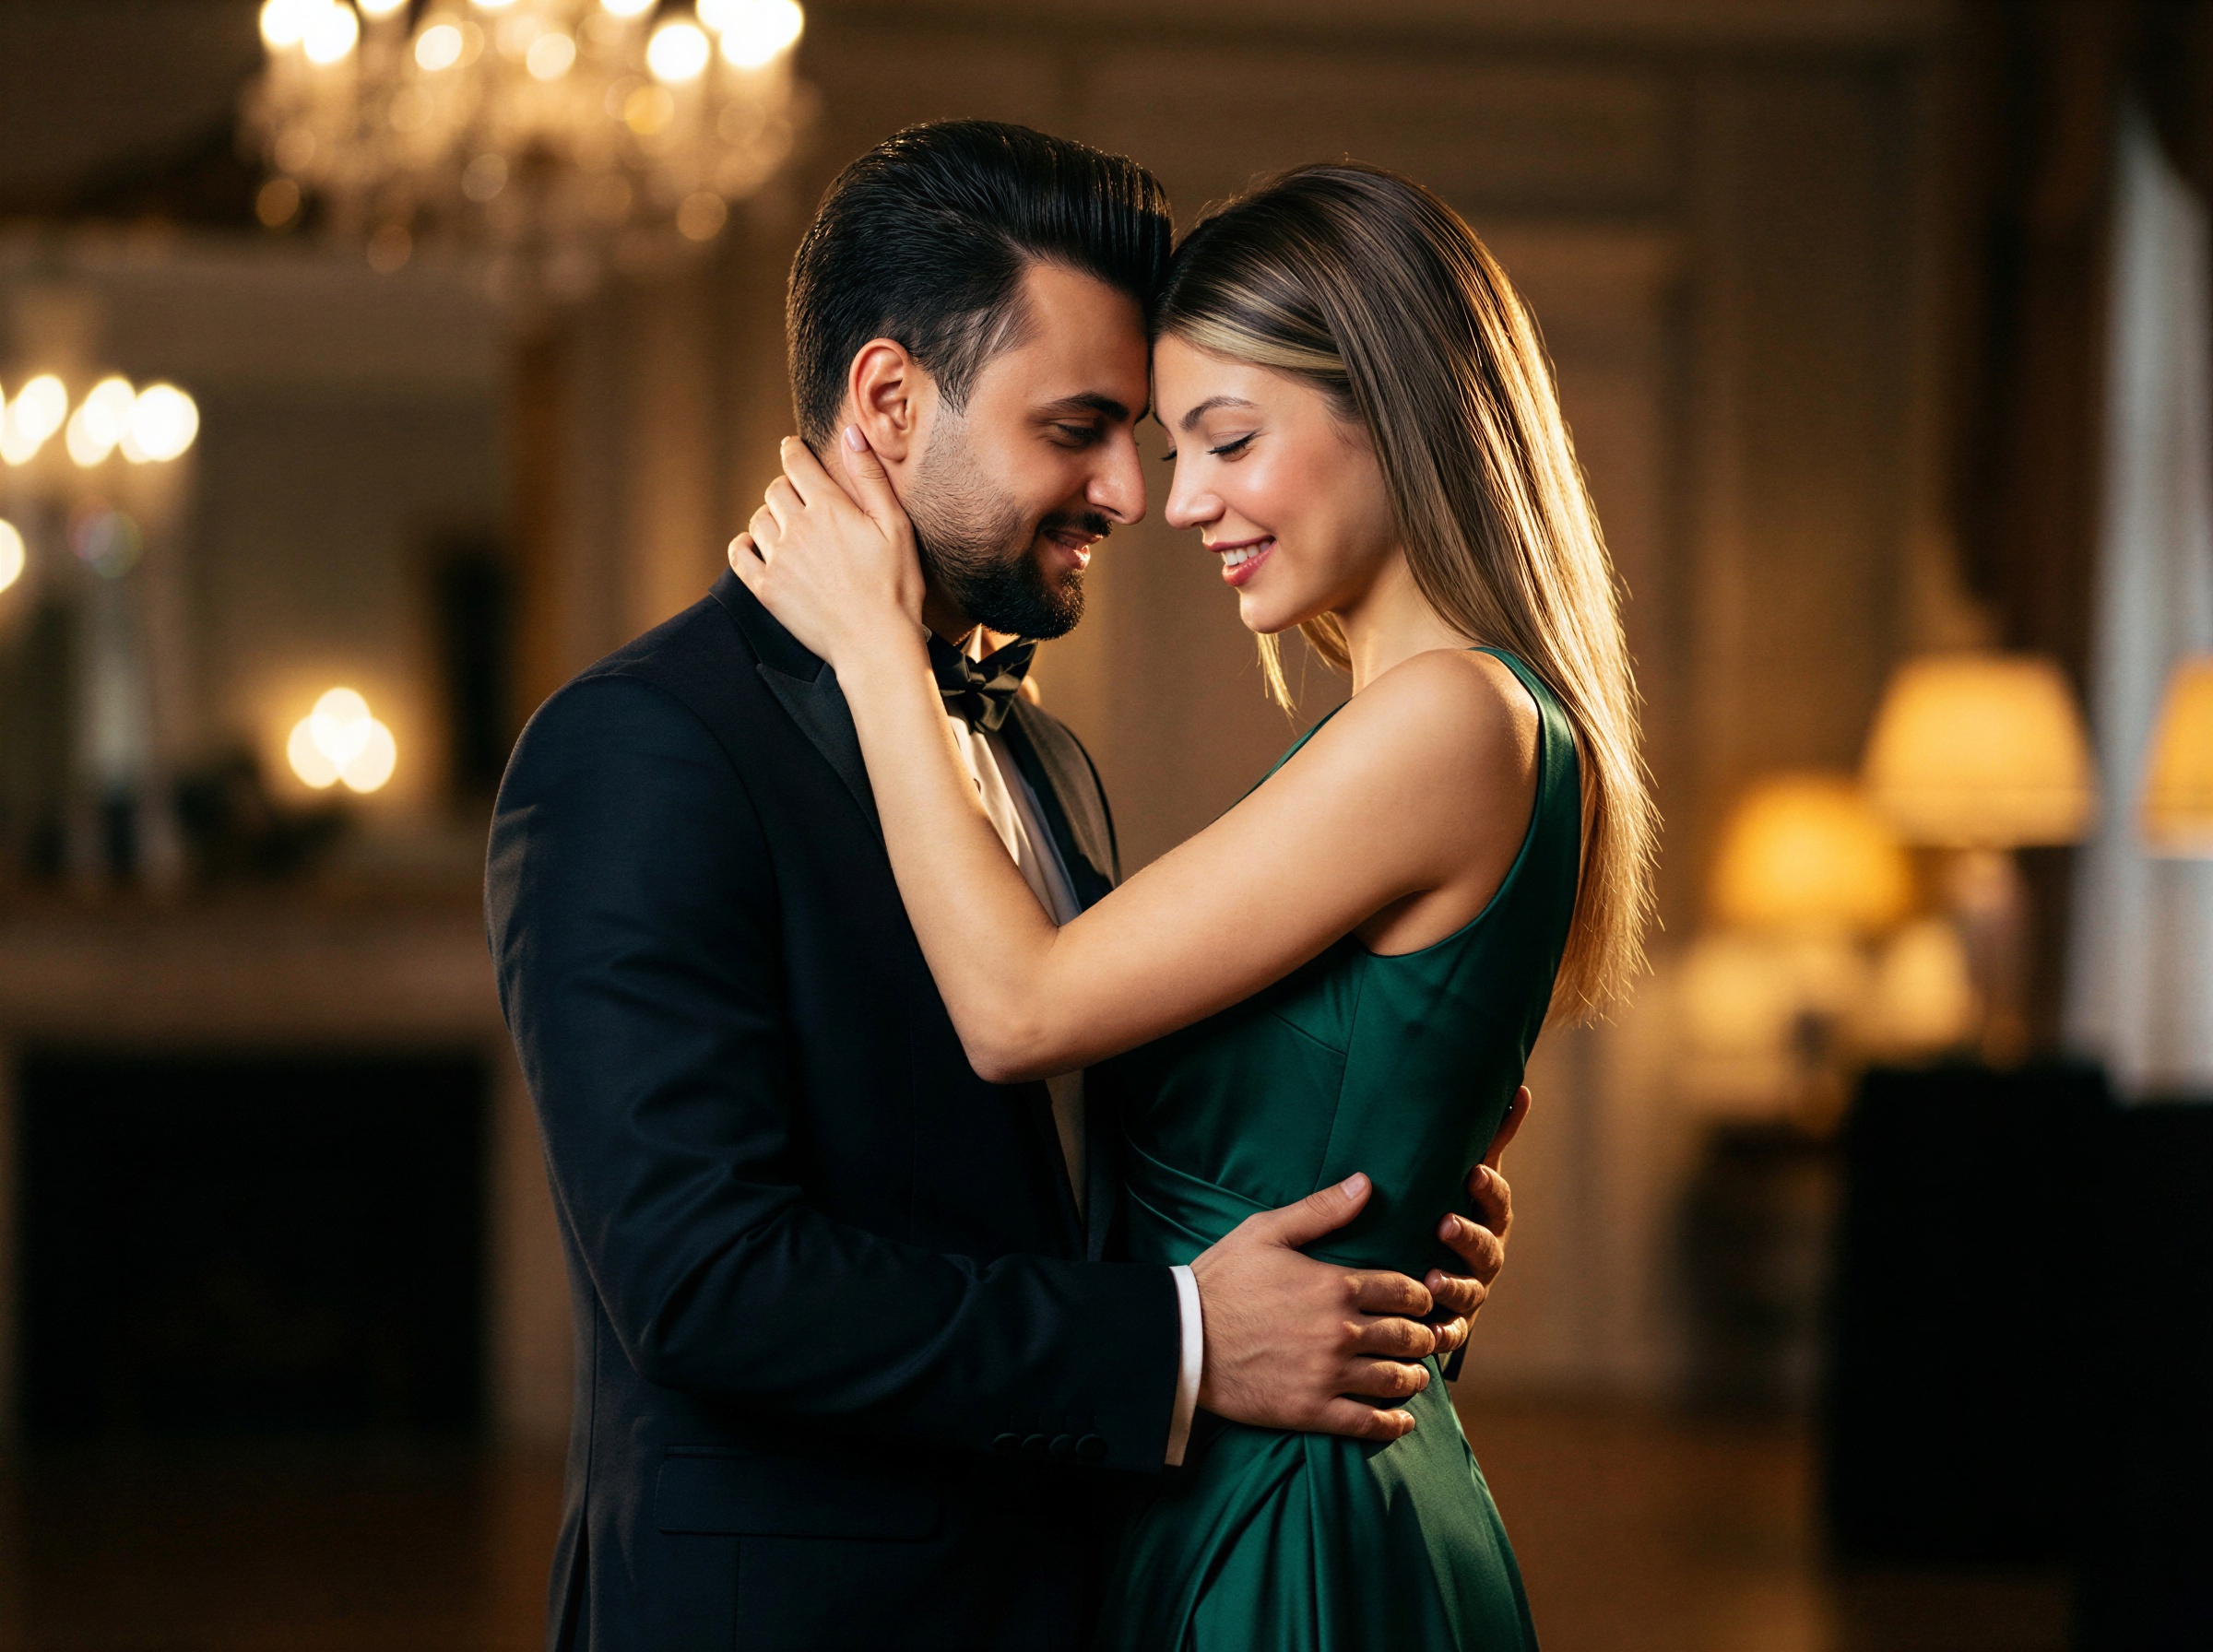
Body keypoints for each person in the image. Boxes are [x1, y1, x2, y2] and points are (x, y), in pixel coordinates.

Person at [487, 124, 1522, 1652]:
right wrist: (1181, 1341)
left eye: (1152, 438)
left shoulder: (1039, 751)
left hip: (1077, 1591)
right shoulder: (640, 750)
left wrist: (1342, 1268)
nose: (1129, 491)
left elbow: (1045, 1187)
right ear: (892, 401)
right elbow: (704, 1282)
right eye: (1081, 426)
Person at [728, 159, 1656, 1649]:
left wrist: (873, 651)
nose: (1177, 501)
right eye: (1172, 445)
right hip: (1248, 1480)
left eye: (1227, 441)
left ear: (1394, 413)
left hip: (1285, 1522)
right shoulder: (1456, 722)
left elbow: (1019, 1009)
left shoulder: (1450, 720)